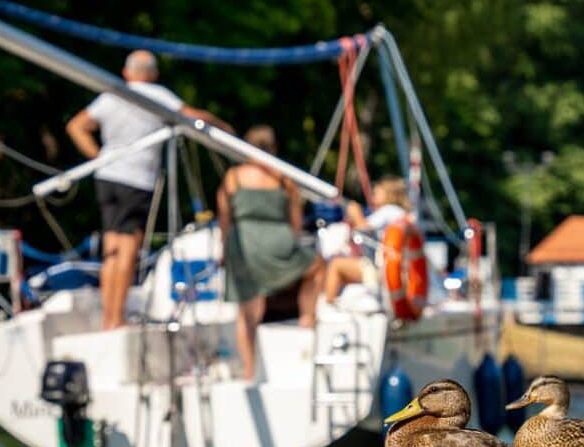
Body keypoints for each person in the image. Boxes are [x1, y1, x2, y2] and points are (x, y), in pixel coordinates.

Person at [66, 50, 231, 329]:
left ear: (127, 72)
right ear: (152, 74)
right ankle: (115, 319)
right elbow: (191, 117)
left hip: (107, 176)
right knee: (128, 247)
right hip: (136, 179)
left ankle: (109, 316)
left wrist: (98, 157)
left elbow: (76, 126)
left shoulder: (112, 96)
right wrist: (221, 126)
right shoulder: (157, 96)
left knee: (112, 248)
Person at [217, 125, 325, 381]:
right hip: (277, 238)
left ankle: (249, 372)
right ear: (273, 148)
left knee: (248, 313)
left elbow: (225, 219)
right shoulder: (283, 176)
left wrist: (224, 250)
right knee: (317, 267)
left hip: (243, 242)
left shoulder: (233, 177)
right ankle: (307, 320)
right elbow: (296, 224)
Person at [323, 176, 411, 302]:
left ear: (389, 195)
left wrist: (355, 212)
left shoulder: (388, 211)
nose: (372, 196)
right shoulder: (400, 213)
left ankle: (328, 305)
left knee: (336, 265)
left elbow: (363, 228)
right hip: (391, 268)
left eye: (376, 193)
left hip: (381, 269)